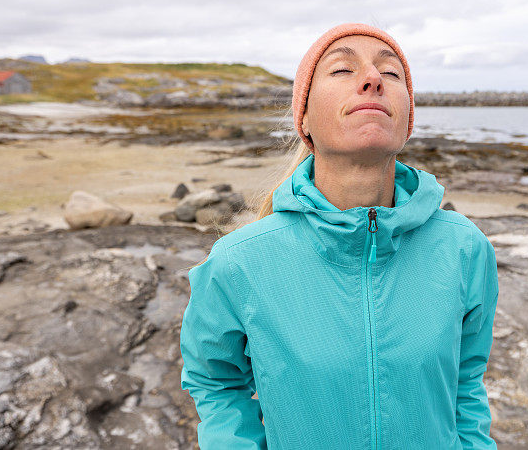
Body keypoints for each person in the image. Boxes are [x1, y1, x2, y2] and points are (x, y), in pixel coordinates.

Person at [180, 22, 500, 449]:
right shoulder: (237, 263)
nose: (371, 79)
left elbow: (466, 382)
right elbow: (215, 384)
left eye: (391, 73)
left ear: (407, 124)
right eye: (342, 70)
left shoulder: (463, 248)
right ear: (305, 119)